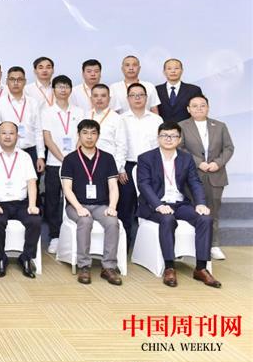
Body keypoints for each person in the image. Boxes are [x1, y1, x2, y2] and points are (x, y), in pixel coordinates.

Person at [137, 122, 220, 288]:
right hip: (155, 205)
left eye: (173, 136)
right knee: (167, 219)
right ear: (158, 137)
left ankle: (201, 268)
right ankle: (169, 267)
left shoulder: (186, 158)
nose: (169, 139)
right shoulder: (146, 158)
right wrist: (158, 205)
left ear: (179, 139)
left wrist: (200, 204)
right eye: (165, 135)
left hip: (180, 204)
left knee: (205, 219)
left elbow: (195, 182)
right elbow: (144, 185)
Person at [60, 119, 122, 286]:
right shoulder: (70, 159)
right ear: (79, 135)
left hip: (101, 205)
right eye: (85, 133)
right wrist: (78, 207)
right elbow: (67, 189)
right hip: (76, 205)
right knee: (85, 221)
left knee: (112, 221)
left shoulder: (107, 158)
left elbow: (113, 187)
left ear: (98, 136)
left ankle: (108, 267)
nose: (89, 137)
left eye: (93, 133)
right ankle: (84, 266)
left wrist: (112, 207)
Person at [0, 121, 41, 278]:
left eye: (11, 133)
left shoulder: (25, 157)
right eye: (4, 133)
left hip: (21, 203)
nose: (7, 136)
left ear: (17, 136)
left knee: (35, 220)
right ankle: (0, 258)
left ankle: (26, 258)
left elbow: (32, 182)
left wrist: (32, 205)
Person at [179, 95, 235, 260]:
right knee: (191, 210)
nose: (199, 108)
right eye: (194, 106)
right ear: (188, 109)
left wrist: (218, 163)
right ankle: (190, 246)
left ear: (208, 107)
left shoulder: (220, 126)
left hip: (216, 174)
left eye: (202, 105)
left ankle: (214, 245)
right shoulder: (182, 126)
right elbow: (180, 148)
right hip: (192, 175)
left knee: (213, 211)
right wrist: (198, 163)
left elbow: (229, 148)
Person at [41, 75, 84, 255]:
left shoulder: (79, 112)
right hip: (54, 163)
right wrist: (62, 158)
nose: (63, 90)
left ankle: (73, 234)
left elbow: (83, 136)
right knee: (52, 200)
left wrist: (71, 158)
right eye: (59, 87)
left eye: (66, 86)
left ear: (70, 90)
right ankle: (55, 236)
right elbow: (47, 139)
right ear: (54, 90)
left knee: (75, 199)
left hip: (75, 163)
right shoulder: (47, 112)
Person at [119, 83, 163, 240]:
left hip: (151, 168)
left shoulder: (156, 119)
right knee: (125, 207)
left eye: (141, 95)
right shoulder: (121, 119)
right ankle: (124, 245)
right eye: (133, 95)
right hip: (127, 167)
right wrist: (120, 168)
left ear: (146, 97)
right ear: (128, 98)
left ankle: (149, 244)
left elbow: (160, 146)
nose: (137, 98)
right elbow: (119, 145)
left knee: (151, 205)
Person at [0, 66, 45, 172]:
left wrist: (40, 156)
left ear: (25, 81)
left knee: (32, 181)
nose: (16, 83)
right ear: (7, 82)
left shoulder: (33, 102)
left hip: (31, 151)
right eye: (12, 79)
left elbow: (38, 130)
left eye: (19, 79)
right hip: (7, 151)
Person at [89, 84, 128, 174]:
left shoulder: (117, 118)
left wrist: (116, 168)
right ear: (91, 99)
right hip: (87, 164)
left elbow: (122, 146)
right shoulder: (86, 115)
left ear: (109, 99)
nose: (99, 99)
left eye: (103, 96)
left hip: (108, 165)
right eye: (95, 96)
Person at [156, 58, 203, 123]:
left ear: (182, 70)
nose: (173, 71)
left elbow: (199, 111)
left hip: (187, 127)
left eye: (176, 68)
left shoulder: (194, 90)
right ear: (164, 72)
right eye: (169, 68)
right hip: (162, 127)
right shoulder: (156, 90)